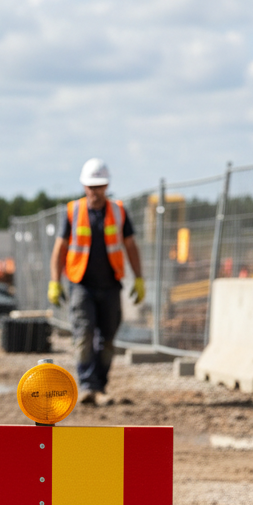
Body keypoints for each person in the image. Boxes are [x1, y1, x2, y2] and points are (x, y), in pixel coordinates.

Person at [49, 158, 144, 405]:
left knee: (108, 338)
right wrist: (54, 281)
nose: (95, 191)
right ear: (84, 187)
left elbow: (131, 246)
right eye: (91, 186)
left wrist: (139, 278)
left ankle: (100, 386)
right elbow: (60, 249)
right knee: (84, 333)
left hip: (111, 284)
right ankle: (87, 385)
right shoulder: (72, 211)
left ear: (107, 186)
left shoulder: (119, 211)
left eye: (100, 186)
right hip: (81, 284)